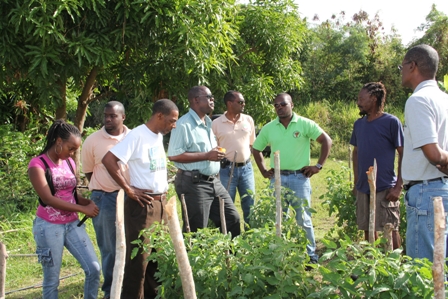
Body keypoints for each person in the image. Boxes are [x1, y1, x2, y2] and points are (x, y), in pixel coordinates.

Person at [102, 99, 178, 299]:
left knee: (156, 258)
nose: (174, 125)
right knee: (139, 261)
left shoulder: (157, 136)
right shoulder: (137, 135)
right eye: (171, 121)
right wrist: (128, 189)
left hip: (160, 204)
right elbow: (109, 160)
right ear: (159, 116)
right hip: (143, 206)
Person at [252, 93, 332, 263]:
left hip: (299, 178)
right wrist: (263, 170)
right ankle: (280, 254)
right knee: (278, 217)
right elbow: (256, 149)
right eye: (276, 105)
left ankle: (310, 256)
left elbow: (326, 140)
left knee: (303, 219)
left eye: (283, 104)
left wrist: (318, 166)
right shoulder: (269, 127)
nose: (279, 107)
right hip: (278, 178)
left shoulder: (304, 124)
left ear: (292, 105)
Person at [28, 120, 100, 299]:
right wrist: (82, 209)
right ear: (58, 141)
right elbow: (48, 198)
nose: (73, 153)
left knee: (94, 268)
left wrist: (87, 203)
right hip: (49, 226)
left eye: (75, 149)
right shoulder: (37, 165)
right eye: (71, 148)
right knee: (52, 280)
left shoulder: (69, 163)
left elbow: (71, 194)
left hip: (72, 224)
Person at [168, 85, 241, 238]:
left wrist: (214, 154)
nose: (212, 100)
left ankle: (231, 258)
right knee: (196, 229)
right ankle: (190, 261)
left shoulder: (208, 122)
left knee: (232, 218)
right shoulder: (184, 124)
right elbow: (174, 155)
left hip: (213, 181)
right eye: (209, 97)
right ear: (196, 100)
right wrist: (207, 155)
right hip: (194, 183)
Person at [400, 44, 448, 261]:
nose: (400, 71)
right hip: (441, 187)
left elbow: (434, 154)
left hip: (426, 193)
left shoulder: (418, 100)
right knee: (441, 268)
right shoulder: (443, 99)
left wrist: (442, 159)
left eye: (401, 66)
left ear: (413, 66)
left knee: (424, 271)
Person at [81, 101, 129, 299]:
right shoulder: (92, 141)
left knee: (133, 242)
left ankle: (129, 287)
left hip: (131, 198)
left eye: (113, 116)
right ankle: (111, 292)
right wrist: (104, 189)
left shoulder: (133, 137)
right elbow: (89, 172)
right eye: (106, 116)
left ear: (123, 117)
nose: (108, 120)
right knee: (109, 247)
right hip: (104, 198)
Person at [350, 82, 404, 249]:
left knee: (390, 228)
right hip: (364, 187)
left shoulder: (391, 122)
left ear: (373, 99)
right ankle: (369, 266)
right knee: (367, 227)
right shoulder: (359, 124)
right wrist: (357, 182)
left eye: (361, 98)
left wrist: (398, 187)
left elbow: (403, 153)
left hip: (385, 186)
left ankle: (394, 265)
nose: (358, 102)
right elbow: (356, 152)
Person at [212, 91, 255, 226]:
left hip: (246, 169)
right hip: (226, 170)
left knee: (250, 203)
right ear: (229, 103)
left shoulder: (248, 120)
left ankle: (250, 236)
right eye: (240, 102)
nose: (244, 104)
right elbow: (213, 147)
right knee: (226, 204)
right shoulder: (216, 123)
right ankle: (230, 238)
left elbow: (252, 144)